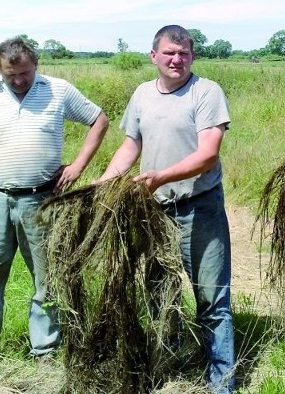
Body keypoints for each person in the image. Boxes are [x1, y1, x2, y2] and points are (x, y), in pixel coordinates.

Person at [0, 37, 109, 360]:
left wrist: (78, 166)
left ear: (35, 65)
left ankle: (46, 353)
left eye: (24, 73)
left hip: (43, 202)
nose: (18, 80)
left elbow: (99, 119)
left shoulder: (58, 91)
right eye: (10, 75)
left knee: (47, 281)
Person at [96, 24, 235, 394]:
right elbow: (130, 145)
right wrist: (106, 181)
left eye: (184, 53)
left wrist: (160, 177)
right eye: (170, 53)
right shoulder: (143, 94)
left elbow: (208, 155)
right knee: (159, 294)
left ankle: (221, 382)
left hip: (199, 209)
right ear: (153, 56)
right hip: (154, 213)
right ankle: (171, 367)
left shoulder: (206, 92)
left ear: (192, 56)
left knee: (211, 298)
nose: (177, 59)